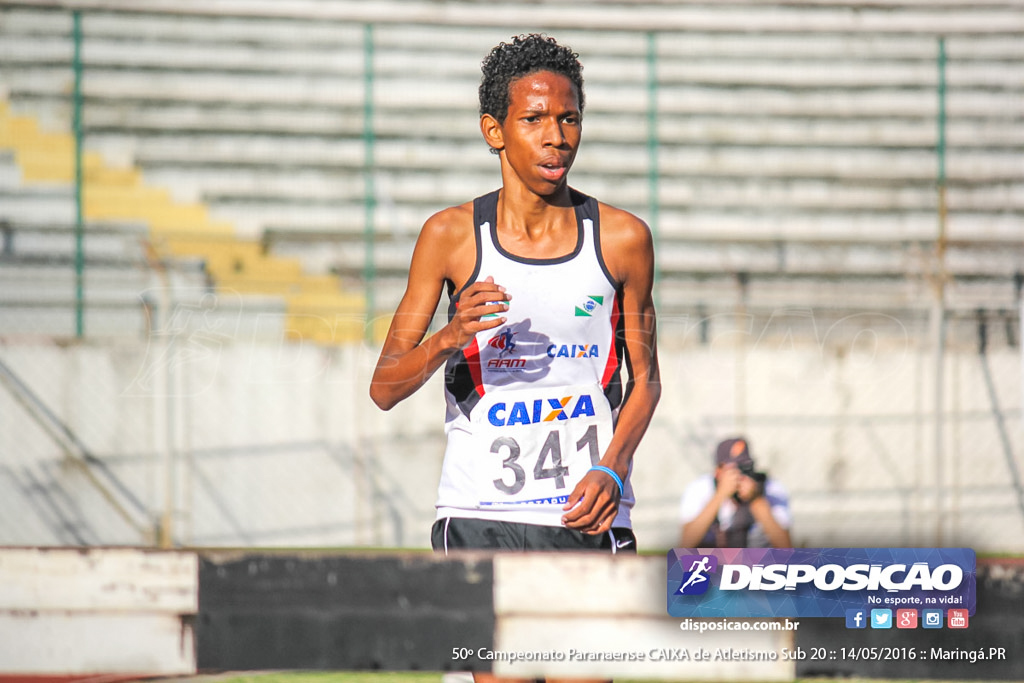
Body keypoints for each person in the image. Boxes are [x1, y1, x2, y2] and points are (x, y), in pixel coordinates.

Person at [370, 34, 659, 558]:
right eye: (534, 120)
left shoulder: (623, 239)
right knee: (475, 647)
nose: (556, 137)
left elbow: (647, 383)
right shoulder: (449, 236)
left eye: (569, 119)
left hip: (587, 512)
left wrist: (612, 469)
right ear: (494, 131)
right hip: (476, 513)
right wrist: (451, 336)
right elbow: (385, 388)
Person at [679, 437, 792, 548]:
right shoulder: (700, 488)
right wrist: (720, 495)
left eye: (746, 467)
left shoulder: (770, 487)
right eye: (734, 469)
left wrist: (756, 500)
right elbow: (686, 544)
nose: (741, 474)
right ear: (718, 471)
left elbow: (785, 547)